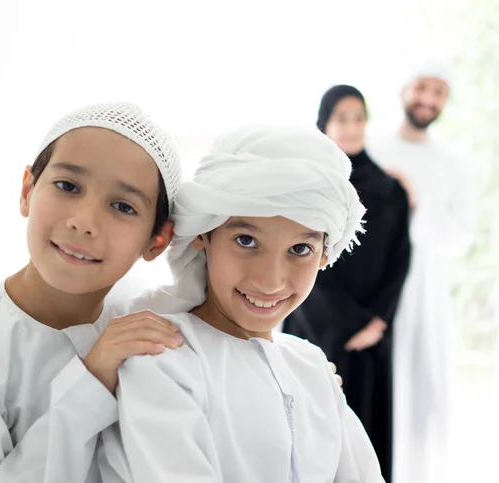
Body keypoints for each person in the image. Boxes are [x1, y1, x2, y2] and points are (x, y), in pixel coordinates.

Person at [0, 102, 188, 483]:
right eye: (67, 186)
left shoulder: (156, 322)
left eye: (123, 206)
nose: (83, 222)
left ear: (157, 241)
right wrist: (91, 379)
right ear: (27, 190)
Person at [98, 125, 384, 482]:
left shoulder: (312, 369)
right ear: (204, 234)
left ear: (325, 255)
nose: (271, 280)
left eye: (300, 249)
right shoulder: (164, 361)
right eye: (246, 240)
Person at [284, 85, 411, 481]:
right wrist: (350, 323)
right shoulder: (306, 188)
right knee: (312, 439)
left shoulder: (391, 191)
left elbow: (399, 263)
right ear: (324, 124)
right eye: (342, 118)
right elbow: (297, 256)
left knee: (367, 445)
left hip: (373, 339)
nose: (352, 127)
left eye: (359, 118)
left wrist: (375, 322)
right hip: (315, 327)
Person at [367, 61, 476, 483]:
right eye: (422, 88)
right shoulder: (371, 149)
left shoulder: (456, 164)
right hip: (370, 293)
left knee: (418, 402)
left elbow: (460, 237)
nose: (428, 100)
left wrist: (416, 204)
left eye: (439, 93)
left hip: (425, 296)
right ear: (403, 91)